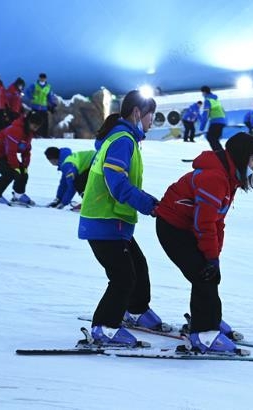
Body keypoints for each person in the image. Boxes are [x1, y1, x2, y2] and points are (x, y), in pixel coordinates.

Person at [154, 132, 253, 353]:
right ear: (241, 157)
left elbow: (217, 222)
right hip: (173, 228)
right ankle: (203, 334)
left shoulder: (228, 177)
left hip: (187, 227)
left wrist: (215, 257)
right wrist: (210, 259)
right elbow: (204, 223)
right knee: (203, 275)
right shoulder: (215, 178)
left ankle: (209, 320)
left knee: (209, 273)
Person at [78, 89, 164, 347]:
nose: (152, 122)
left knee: (138, 267)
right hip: (104, 222)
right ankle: (105, 327)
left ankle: (135, 310)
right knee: (123, 276)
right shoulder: (122, 140)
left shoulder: (127, 139)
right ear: (138, 113)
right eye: (152, 116)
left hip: (115, 223)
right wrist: (150, 205)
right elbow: (117, 184)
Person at [0, 111, 44, 205]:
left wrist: (24, 165)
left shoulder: (28, 132)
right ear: (29, 122)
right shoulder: (15, 130)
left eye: (37, 127)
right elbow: (11, 151)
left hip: (6, 154)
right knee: (9, 174)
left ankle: (18, 195)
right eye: (34, 126)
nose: (35, 129)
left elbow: (26, 150)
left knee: (23, 173)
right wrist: (15, 167)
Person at [25, 73, 57, 138]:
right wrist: (31, 97)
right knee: (35, 121)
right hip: (35, 106)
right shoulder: (34, 85)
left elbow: (49, 96)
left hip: (43, 107)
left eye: (44, 78)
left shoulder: (48, 87)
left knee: (45, 121)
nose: (42, 79)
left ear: (45, 79)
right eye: (41, 78)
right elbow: (27, 91)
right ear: (39, 78)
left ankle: (45, 135)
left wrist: (52, 104)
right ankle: (35, 134)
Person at [199, 86, 227, 151]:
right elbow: (223, 111)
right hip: (221, 121)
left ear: (204, 92)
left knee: (210, 137)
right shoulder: (216, 100)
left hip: (216, 121)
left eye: (202, 93)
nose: (202, 94)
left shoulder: (208, 100)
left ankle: (219, 154)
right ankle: (220, 154)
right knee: (215, 139)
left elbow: (205, 114)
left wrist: (202, 127)